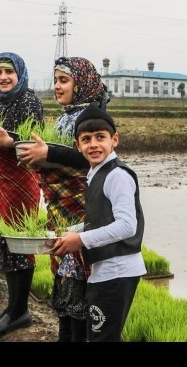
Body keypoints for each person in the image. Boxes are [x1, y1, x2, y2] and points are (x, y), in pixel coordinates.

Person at [16, 56, 109, 343]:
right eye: (55, 80)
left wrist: (49, 156)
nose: (57, 86)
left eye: (64, 80)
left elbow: (88, 159)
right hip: (60, 208)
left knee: (79, 282)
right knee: (65, 280)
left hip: (81, 208)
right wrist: (39, 161)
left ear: (81, 83)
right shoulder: (66, 116)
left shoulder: (91, 118)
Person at [51, 103, 145, 342]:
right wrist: (70, 232)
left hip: (118, 270)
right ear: (78, 146)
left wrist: (80, 240)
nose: (93, 144)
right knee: (103, 335)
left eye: (100, 137)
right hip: (106, 268)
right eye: (86, 139)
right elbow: (102, 219)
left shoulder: (117, 175)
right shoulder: (96, 173)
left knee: (102, 337)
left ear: (114, 140)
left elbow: (126, 225)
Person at [0, 52, 43, 337]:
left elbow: (36, 147)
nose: (3, 77)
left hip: (19, 180)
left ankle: (20, 311)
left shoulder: (30, 102)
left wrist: (8, 141)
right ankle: (11, 307)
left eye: (9, 72)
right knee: (3, 243)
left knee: (19, 247)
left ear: (20, 75)